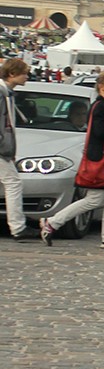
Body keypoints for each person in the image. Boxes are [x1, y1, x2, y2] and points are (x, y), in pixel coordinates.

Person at [40, 73, 104, 250]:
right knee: (94, 199)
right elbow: (99, 133)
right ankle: (52, 222)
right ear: (101, 86)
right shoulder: (100, 107)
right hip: (102, 159)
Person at [1, 58, 31, 241]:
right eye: (24, 73)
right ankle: (18, 227)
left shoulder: (7, 93)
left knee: (12, 183)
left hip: (4, 148)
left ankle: (18, 226)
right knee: (13, 184)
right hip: (1, 149)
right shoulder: (3, 94)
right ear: (12, 74)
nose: (27, 77)